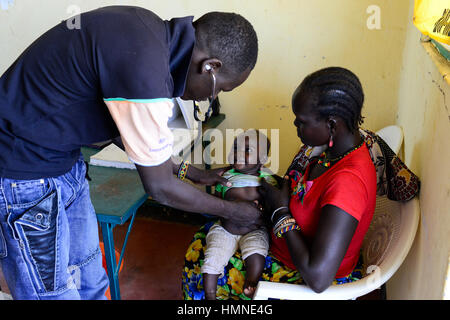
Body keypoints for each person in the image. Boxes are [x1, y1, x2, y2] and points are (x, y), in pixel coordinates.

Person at [0, 6, 261, 300]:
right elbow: (160, 188)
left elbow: (123, 130)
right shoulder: (147, 70)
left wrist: (192, 173)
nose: (212, 97)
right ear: (210, 66)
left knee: (91, 280)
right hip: (22, 175)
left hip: (62, 163)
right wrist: (232, 211)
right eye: (220, 89)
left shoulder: (148, 33)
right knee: (52, 295)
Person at [182, 67, 377, 299]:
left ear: (332, 125)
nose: (295, 126)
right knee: (206, 240)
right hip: (278, 243)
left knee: (198, 267)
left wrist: (281, 213)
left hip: (299, 276)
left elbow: (318, 278)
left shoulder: (348, 182)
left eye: (301, 122)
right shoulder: (327, 150)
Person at [202, 130, 278, 300]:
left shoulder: (266, 179)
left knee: (257, 250)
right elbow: (217, 200)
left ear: (263, 159)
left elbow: (273, 202)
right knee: (212, 257)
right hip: (226, 228)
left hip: (254, 229)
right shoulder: (226, 176)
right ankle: (210, 294)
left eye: (247, 150)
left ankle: (251, 282)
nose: (238, 153)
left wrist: (264, 208)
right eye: (235, 148)